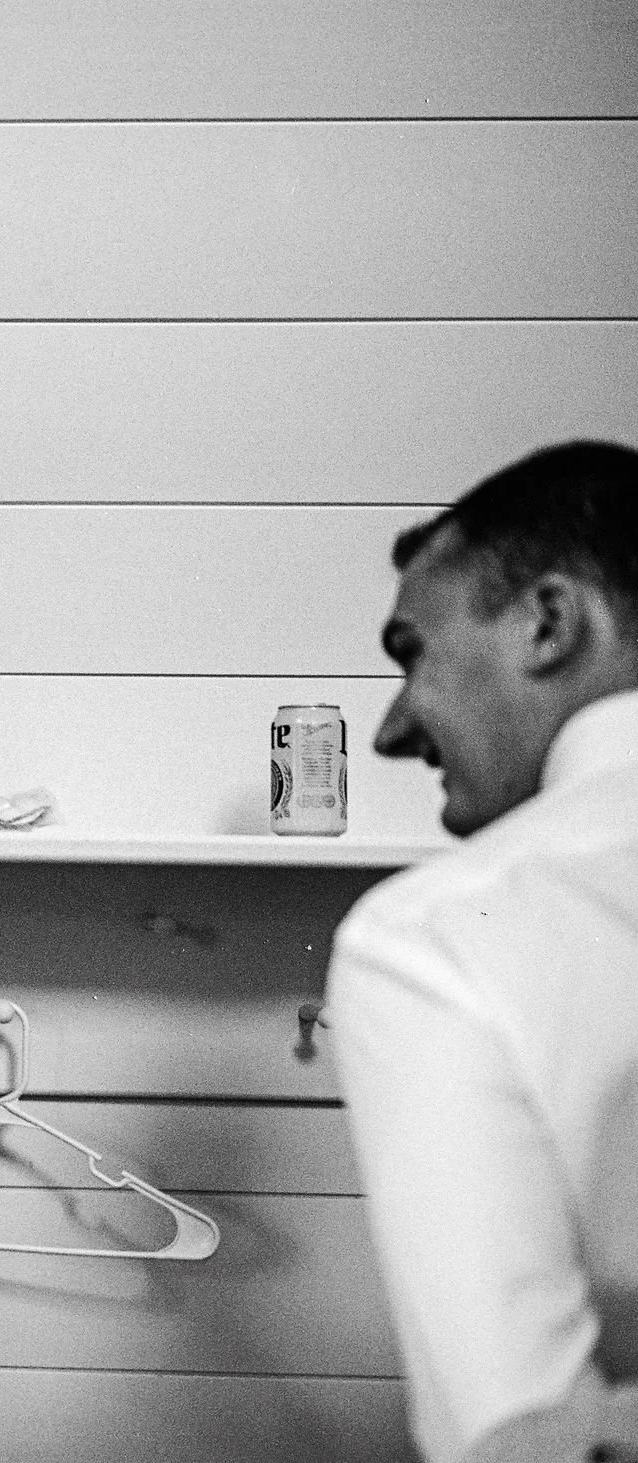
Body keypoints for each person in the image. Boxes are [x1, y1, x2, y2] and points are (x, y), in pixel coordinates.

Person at [327, 440, 638, 1463]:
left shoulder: (428, 935)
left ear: (549, 622)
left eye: (411, 652)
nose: (390, 729)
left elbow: (519, 1441)